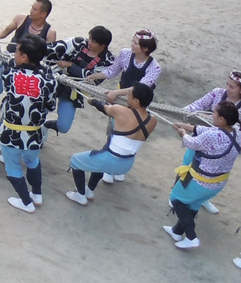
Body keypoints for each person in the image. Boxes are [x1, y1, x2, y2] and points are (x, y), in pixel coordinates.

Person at [165, 101, 240, 250]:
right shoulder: (237, 132)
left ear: (222, 119)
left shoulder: (213, 134)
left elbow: (191, 143)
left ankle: (191, 238)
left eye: (214, 113)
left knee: (176, 199)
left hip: (200, 181)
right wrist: (185, 125)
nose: (211, 115)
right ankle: (177, 231)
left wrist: (183, 133)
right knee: (193, 204)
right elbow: (205, 130)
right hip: (218, 183)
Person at [65, 83, 157, 206]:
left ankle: (80, 195)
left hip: (110, 160)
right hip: (127, 164)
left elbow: (104, 107)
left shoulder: (120, 110)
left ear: (136, 100)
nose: (126, 95)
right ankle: (89, 191)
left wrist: (92, 100)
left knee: (75, 160)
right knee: (101, 158)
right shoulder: (153, 120)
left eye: (129, 94)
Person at [0, 34, 58, 213]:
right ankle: (36, 194)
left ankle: (26, 202)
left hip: (10, 134)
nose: (14, 54)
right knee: (32, 161)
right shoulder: (50, 80)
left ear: (24, 57)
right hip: (34, 135)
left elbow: (7, 73)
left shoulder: (10, 73)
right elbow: (51, 105)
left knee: (13, 168)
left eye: (17, 51)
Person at [0, 0, 57, 124]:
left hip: (27, 74)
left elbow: (46, 56)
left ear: (44, 14)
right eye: (32, 7)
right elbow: (3, 33)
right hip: (7, 63)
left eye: (35, 9)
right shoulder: (21, 19)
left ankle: (2, 129)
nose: (31, 11)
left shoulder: (50, 33)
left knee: (13, 100)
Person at [44, 26, 114, 134]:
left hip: (74, 91)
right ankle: (39, 133)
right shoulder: (78, 42)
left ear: (103, 45)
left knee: (63, 127)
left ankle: (47, 125)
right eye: (89, 38)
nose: (89, 42)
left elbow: (91, 80)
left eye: (93, 41)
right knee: (39, 110)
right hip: (55, 80)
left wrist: (71, 65)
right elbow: (55, 49)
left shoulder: (108, 61)